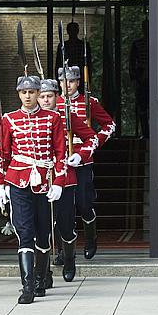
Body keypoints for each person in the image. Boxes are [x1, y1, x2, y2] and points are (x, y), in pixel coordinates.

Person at [0, 74, 66, 304]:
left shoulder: (52, 118)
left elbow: (60, 152)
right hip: (18, 180)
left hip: (44, 181)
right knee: (24, 233)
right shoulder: (9, 119)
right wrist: (1, 184)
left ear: (38, 93)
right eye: (23, 92)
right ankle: (28, 285)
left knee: (43, 233)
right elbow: (3, 154)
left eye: (32, 92)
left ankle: (41, 276)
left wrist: (59, 181)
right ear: (19, 94)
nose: (28, 96)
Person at [56, 65, 116, 260]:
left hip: (82, 158)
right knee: (62, 206)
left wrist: (94, 142)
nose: (68, 85)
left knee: (84, 203)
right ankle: (63, 251)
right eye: (64, 81)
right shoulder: (53, 103)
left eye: (72, 81)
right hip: (60, 160)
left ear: (78, 82)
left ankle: (91, 238)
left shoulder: (89, 102)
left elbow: (110, 125)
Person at [40, 78, 95, 282]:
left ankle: (69, 259)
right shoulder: (31, 118)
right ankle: (43, 271)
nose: (45, 100)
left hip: (65, 177)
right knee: (42, 225)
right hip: (39, 178)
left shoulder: (67, 115)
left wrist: (81, 155)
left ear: (57, 97)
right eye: (42, 96)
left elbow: (92, 138)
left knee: (65, 223)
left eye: (49, 96)